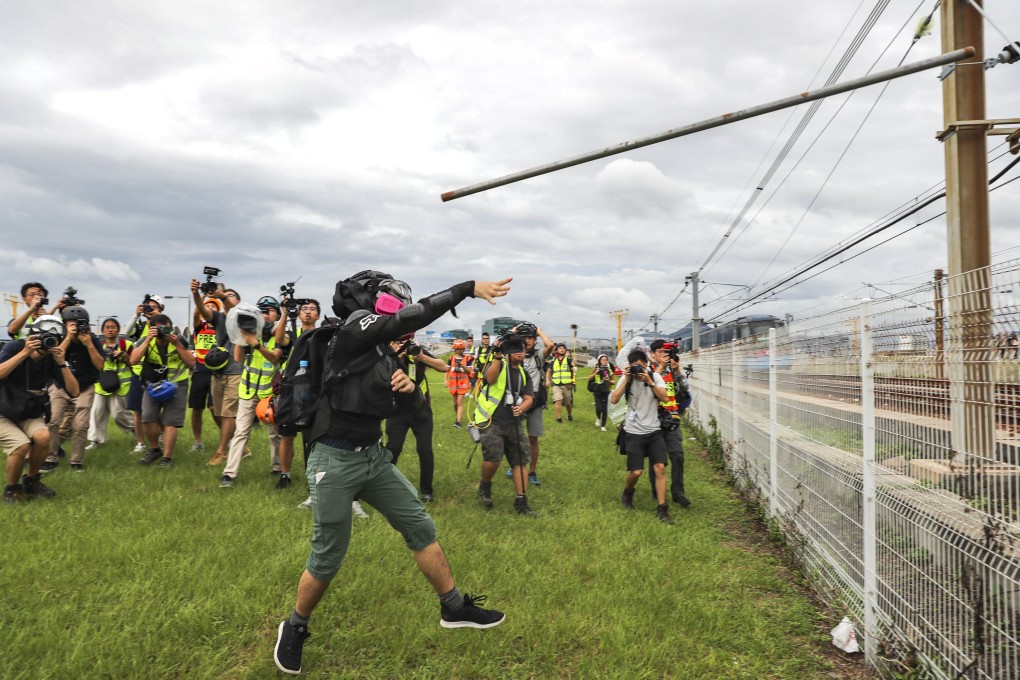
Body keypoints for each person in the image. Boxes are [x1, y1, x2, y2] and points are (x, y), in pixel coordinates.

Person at [274, 270, 509, 675]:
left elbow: (415, 414)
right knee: (328, 556)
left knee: (420, 527)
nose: (396, 311)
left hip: (374, 459)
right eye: (390, 303)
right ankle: (295, 626)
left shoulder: (385, 353)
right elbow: (404, 320)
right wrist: (466, 289)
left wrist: (409, 388)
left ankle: (453, 607)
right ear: (370, 302)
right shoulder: (353, 329)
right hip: (334, 460)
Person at [0, 315, 74, 503]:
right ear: (32, 335)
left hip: (27, 410)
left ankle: (32, 480)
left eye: (52, 340)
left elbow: (74, 391)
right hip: (3, 408)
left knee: (43, 438)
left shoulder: (51, 358)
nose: (45, 344)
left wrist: (61, 363)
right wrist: (25, 352)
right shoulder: (15, 347)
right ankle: (11, 489)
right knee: (21, 445)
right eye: (43, 337)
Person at [219, 297, 284, 488]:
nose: (266, 313)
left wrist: (256, 344)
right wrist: (241, 338)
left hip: (269, 394)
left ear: (277, 314)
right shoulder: (250, 332)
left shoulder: (278, 336)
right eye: (262, 310)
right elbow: (238, 358)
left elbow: (274, 358)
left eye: (270, 310)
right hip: (247, 392)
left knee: (274, 433)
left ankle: (278, 467)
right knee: (241, 432)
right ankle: (229, 474)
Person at [473, 333, 536, 515]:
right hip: (492, 422)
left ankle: (521, 501)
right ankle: (485, 485)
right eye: (515, 349)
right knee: (493, 459)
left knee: (520, 461)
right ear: (508, 352)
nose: (520, 352)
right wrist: (498, 355)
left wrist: (522, 408)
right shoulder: (499, 366)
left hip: (514, 424)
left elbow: (529, 397)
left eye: (522, 349)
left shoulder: (524, 374)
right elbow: (490, 379)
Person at [610, 349, 674, 525]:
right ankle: (628, 492)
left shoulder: (655, 377)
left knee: (660, 468)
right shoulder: (626, 378)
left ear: (647, 365)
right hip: (634, 432)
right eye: (634, 366)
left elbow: (665, 398)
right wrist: (626, 379)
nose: (639, 369)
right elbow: (614, 400)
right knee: (636, 472)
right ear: (629, 366)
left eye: (641, 365)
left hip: (654, 431)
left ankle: (662, 509)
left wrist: (649, 382)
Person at [385, 339, 449, 503]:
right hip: (397, 410)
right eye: (398, 341)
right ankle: (384, 487)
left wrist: (421, 356)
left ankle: (427, 491)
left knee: (425, 450)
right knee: (393, 448)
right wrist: (394, 354)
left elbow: (444, 367)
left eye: (405, 341)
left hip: (421, 411)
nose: (403, 344)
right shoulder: (387, 353)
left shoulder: (416, 350)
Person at [129, 313, 195, 467]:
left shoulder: (180, 339)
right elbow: (133, 360)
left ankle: (167, 458)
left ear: (170, 327)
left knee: (170, 422)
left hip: (177, 383)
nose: (161, 331)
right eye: (157, 328)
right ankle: (154, 449)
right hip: (153, 384)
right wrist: (147, 339)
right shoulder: (145, 341)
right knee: (147, 417)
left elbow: (191, 362)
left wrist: (177, 343)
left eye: (165, 328)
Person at [42, 306, 103, 472]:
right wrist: (68, 337)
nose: (76, 326)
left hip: (85, 386)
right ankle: (50, 457)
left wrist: (89, 345)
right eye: (71, 323)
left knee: (80, 425)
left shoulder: (92, 339)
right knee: (53, 421)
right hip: (60, 386)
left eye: (79, 323)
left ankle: (76, 461)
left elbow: (100, 365)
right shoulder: (59, 338)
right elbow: (56, 356)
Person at [190, 281, 241, 467]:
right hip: (217, 371)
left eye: (229, 295)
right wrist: (196, 293)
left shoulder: (244, 316)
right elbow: (202, 311)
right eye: (222, 295)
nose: (224, 297)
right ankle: (241, 446)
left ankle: (221, 451)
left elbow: (236, 308)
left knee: (228, 414)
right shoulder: (219, 318)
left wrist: (221, 295)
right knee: (218, 413)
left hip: (236, 371)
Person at [648, 340, 691, 507]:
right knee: (657, 459)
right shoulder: (649, 370)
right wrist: (660, 368)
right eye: (659, 352)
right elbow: (647, 389)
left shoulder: (672, 370)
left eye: (665, 352)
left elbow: (685, 389)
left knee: (677, 455)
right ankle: (656, 490)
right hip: (654, 419)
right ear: (652, 354)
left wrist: (677, 370)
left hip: (672, 418)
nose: (663, 355)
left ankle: (678, 492)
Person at [512, 323, 553, 486]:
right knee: (515, 436)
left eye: (530, 338)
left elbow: (550, 345)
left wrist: (539, 331)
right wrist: (514, 331)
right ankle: (516, 466)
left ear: (535, 340)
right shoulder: (515, 355)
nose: (527, 341)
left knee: (532, 438)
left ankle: (532, 471)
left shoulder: (539, 355)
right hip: (517, 400)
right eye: (524, 338)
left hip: (534, 401)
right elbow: (501, 345)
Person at [86, 318, 135, 450]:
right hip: (103, 384)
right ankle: (96, 441)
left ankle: (137, 429)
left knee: (118, 413)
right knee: (97, 412)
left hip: (121, 385)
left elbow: (135, 364)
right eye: (107, 327)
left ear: (118, 330)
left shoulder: (127, 345)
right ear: (103, 330)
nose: (110, 329)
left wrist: (124, 356)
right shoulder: (99, 345)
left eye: (113, 327)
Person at [125, 294, 164, 454]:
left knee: (156, 409)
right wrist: (136, 315)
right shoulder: (141, 326)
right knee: (137, 411)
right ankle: (140, 442)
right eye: (148, 307)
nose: (149, 310)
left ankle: (160, 434)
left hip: (156, 374)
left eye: (153, 307)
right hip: (138, 372)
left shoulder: (163, 325)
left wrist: (157, 318)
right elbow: (127, 332)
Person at [188, 297, 224, 453]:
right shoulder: (199, 326)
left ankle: (226, 436)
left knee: (214, 407)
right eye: (206, 306)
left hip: (217, 370)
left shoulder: (221, 327)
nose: (209, 308)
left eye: (213, 307)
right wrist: (200, 298)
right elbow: (196, 315)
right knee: (197, 408)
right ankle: (197, 441)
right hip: (200, 369)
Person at [445, 339, 473, 427]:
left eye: (460, 349)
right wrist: (445, 380)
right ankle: (458, 417)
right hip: (453, 384)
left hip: (463, 383)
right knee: (455, 403)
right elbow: (446, 370)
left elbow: (469, 371)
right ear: (454, 349)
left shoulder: (468, 358)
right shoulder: (451, 358)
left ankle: (458, 422)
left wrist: (463, 366)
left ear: (463, 349)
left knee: (459, 402)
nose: (458, 351)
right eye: (457, 349)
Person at [546, 343, 576, 423]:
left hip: (567, 385)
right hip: (556, 384)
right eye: (560, 348)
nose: (561, 349)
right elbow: (548, 371)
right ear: (557, 350)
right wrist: (547, 380)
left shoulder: (568, 360)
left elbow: (573, 367)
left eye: (563, 348)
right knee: (558, 400)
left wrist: (574, 366)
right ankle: (558, 418)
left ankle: (569, 414)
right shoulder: (553, 361)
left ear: (565, 350)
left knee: (568, 403)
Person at [588, 354, 615, 431]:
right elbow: (589, 378)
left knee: (604, 409)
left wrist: (608, 381)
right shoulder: (596, 369)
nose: (604, 361)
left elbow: (613, 382)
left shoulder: (609, 370)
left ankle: (603, 425)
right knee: (598, 408)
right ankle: (598, 418)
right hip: (597, 391)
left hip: (606, 391)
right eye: (602, 360)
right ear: (599, 361)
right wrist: (595, 373)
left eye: (606, 360)